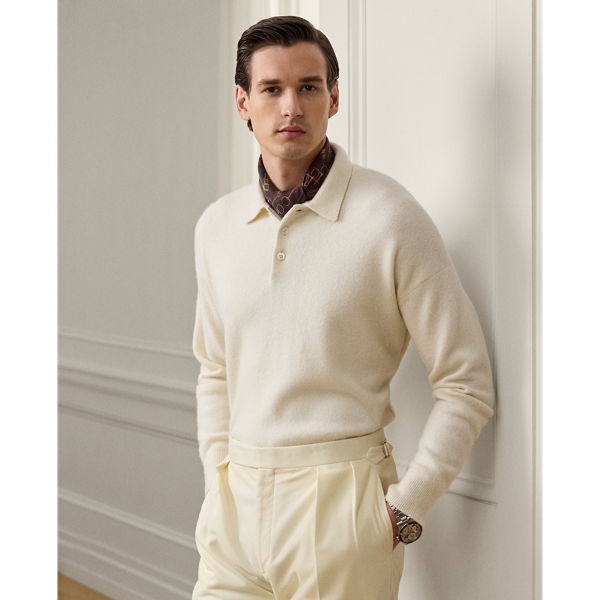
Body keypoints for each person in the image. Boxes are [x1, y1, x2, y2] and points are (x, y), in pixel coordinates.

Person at [191, 15, 495, 600]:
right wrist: (215, 483)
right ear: (242, 102)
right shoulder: (216, 227)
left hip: (343, 504)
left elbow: (467, 382)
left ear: (333, 98)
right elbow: (215, 370)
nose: (291, 107)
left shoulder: (390, 216)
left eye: (308, 87)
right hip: (234, 511)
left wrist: (406, 508)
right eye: (272, 89)